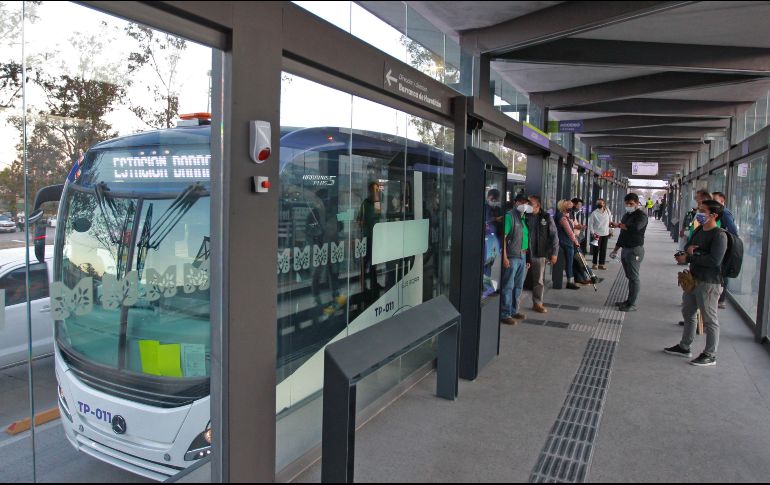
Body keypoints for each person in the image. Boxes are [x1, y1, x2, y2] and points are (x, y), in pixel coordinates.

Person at [666, 200, 728, 367]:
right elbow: (688, 246)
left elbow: (715, 260)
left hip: (709, 282)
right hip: (693, 279)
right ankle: (685, 346)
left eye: (702, 211)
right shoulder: (700, 229)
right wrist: (689, 252)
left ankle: (710, 354)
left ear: (714, 215)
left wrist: (691, 256)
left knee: (709, 319)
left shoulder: (719, 235)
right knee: (688, 312)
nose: (698, 213)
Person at [610, 193, 648, 312]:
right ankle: (628, 301)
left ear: (637, 203)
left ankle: (632, 304)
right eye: (626, 204)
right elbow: (623, 234)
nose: (628, 206)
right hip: (625, 249)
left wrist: (619, 225)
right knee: (629, 276)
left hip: (635, 249)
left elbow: (635, 227)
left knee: (634, 277)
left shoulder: (641, 216)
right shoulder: (627, 215)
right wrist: (616, 249)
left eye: (631, 204)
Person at [500, 194, 532, 325]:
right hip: (512, 256)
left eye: (526, 202)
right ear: (515, 202)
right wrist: (505, 257)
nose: (524, 204)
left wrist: (527, 258)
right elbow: (503, 237)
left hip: (523, 256)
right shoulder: (510, 216)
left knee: (518, 286)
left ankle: (514, 310)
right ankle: (505, 313)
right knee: (508, 285)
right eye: (521, 202)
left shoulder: (524, 217)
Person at [525, 195, 559, 313]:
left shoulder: (546, 217)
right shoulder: (524, 216)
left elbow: (554, 235)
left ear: (537, 206)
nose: (528, 206)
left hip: (539, 253)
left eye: (531, 204)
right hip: (524, 253)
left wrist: (554, 253)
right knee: (519, 280)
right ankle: (513, 307)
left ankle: (537, 303)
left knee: (538, 280)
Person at [711, 192, 738, 309]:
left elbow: (733, 232)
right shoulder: (717, 213)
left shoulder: (725, 213)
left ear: (723, 201)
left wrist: (723, 240)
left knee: (723, 272)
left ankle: (721, 299)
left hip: (724, 247)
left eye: (715, 200)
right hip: (719, 245)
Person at [358, 181, 383, 292]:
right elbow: (359, 219)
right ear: (370, 191)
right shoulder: (365, 203)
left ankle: (374, 283)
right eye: (374, 189)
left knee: (374, 262)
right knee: (366, 261)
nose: (376, 192)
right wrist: (364, 225)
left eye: (377, 189)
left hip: (376, 236)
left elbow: (379, 215)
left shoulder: (377, 202)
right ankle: (363, 285)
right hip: (367, 236)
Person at [555, 199, 582, 290]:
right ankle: (570, 282)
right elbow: (569, 232)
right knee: (569, 262)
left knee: (569, 262)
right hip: (566, 242)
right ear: (564, 207)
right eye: (569, 206)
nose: (571, 207)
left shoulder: (565, 216)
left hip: (565, 241)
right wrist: (576, 242)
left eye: (571, 205)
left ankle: (571, 280)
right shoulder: (562, 217)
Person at [587, 198, 613, 270]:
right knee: (596, 249)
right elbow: (591, 224)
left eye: (600, 203)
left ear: (604, 204)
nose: (599, 204)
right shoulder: (594, 213)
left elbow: (610, 221)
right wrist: (592, 232)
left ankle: (601, 264)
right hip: (597, 234)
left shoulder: (607, 211)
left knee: (603, 249)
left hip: (605, 233)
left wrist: (611, 230)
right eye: (598, 203)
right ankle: (594, 264)